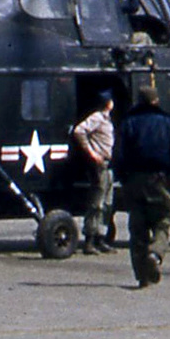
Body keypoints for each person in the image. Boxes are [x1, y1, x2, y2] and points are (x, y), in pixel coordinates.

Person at [114, 84, 170, 287]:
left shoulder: (128, 123)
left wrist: (123, 179)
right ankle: (155, 254)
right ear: (156, 101)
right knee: (163, 221)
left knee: (137, 229)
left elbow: (119, 155)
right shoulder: (169, 123)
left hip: (134, 180)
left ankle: (142, 277)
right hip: (160, 181)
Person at [71, 90, 115, 255]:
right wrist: (91, 153)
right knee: (96, 202)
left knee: (107, 203)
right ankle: (89, 240)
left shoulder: (106, 119)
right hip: (99, 164)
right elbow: (79, 131)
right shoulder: (97, 117)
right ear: (107, 103)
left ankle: (100, 237)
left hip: (108, 164)